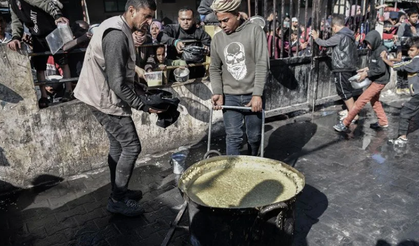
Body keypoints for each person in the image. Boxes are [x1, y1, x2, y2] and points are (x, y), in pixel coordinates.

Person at [74, 0, 161, 217]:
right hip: (102, 98)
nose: (149, 22)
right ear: (131, 10)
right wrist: (144, 106)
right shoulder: (116, 35)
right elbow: (117, 84)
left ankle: (118, 191)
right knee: (132, 147)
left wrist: (138, 79)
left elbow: (118, 71)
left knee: (118, 146)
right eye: (146, 16)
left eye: (151, 17)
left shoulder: (118, 25)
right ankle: (117, 199)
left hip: (98, 93)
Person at [210, 0, 269, 156]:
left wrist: (257, 94)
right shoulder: (217, 39)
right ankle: (232, 173)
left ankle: (252, 163)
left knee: (254, 137)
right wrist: (217, 92)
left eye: (225, 20)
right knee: (233, 137)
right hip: (230, 96)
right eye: (219, 21)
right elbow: (214, 68)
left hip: (252, 94)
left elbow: (262, 64)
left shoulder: (255, 31)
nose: (222, 25)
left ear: (237, 15)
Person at [7, 0, 73, 108]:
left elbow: (45, 3)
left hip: (51, 30)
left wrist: (57, 15)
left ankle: (69, 91)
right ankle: (44, 96)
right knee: (39, 67)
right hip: (37, 36)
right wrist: (15, 37)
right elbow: (16, 22)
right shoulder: (12, 3)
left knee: (62, 61)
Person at [333, 30, 390, 132]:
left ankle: (345, 123)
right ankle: (383, 122)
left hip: (379, 81)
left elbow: (381, 69)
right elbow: (375, 65)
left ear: (375, 41)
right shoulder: (374, 50)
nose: (368, 46)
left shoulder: (382, 51)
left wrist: (366, 74)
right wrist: (366, 69)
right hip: (377, 80)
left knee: (360, 101)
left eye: (369, 43)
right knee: (374, 101)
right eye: (367, 43)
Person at [311, 14, 359, 122]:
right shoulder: (349, 35)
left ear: (335, 27)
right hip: (349, 66)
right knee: (346, 91)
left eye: (332, 28)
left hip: (342, 67)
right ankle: (350, 111)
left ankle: (353, 115)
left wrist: (316, 38)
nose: (333, 30)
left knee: (344, 91)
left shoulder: (339, 36)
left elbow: (325, 43)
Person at [381, 37, 419, 147]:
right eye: (409, 50)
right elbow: (403, 61)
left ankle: (402, 137)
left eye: (412, 50)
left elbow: (399, 66)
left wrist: (385, 60)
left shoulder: (416, 62)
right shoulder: (414, 60)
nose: (409, 52)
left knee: (405, 112)